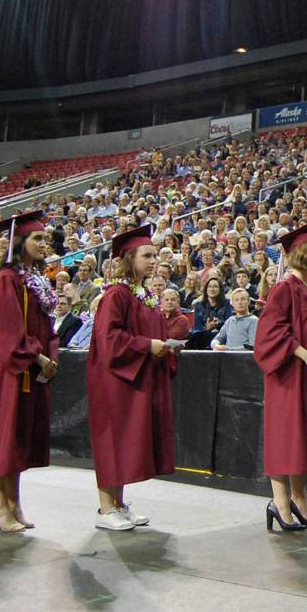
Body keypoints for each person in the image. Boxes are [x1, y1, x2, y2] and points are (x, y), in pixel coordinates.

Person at [86, 225, 178, 531]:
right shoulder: (116, 295)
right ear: (129, 257)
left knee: (125, 443)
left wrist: (164, 347)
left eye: (155, 254)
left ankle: (119, 505)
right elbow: (109, 338)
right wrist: (146, 345)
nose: (154, 260)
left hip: (137, 377)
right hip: (115, 381)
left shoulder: (145, 295)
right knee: (112, 441)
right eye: (147, 255)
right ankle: (105, 508)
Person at [0, 211, 59, 533]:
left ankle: (13, 503)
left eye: (44, 237)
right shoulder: (7, 279)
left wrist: (49, 356)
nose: (43, 243)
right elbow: (4, 330)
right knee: (2, 437)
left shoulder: (35, 280)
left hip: (28, 369)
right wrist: (37, 357)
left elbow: (49, 327)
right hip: (4, 372)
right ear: (19, 242)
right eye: (37, 238)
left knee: (18, 439)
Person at [254, 221, 307, 533]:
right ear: (297, 254)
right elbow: (270, 333)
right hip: (289, 377)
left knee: (303, 442)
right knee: (286, 439)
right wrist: (305, 355)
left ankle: (299, 500)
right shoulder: (284, 288)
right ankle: (279, 503)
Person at [191, 277, 231, 349]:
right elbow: (197, 325)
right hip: (202, 336)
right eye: (209, 286)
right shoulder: (199, 305)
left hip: (220, 336)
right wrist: (207, 328)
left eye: (215, 287)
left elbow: (229, 323)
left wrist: (218, 323)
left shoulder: (226, 303)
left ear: (220, 289)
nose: (212, 289)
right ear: (206, 289)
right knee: (196, 335)